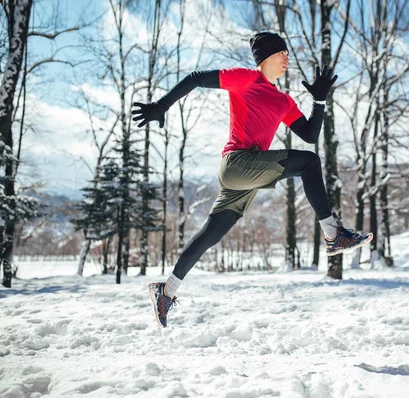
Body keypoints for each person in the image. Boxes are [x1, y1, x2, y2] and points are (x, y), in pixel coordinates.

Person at [133, 32, 373, 328]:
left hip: (248, 174)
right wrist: (161, 105)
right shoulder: (246, 79)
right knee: (309, 164)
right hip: (237, 163)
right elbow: (196, 77)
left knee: (212, 233)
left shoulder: (283, 101)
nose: (287, 58)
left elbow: (310, 135)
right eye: (282, 53)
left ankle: (165, 291)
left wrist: (320, 100)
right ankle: (333, 233)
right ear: (265, 58)